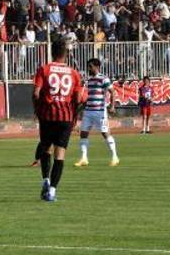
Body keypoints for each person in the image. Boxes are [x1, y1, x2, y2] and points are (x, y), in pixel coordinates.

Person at [32, 38, 83, 202]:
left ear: (52, 52)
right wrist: (75, 114)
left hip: (47, 116)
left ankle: (45, 180)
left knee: (46, 149)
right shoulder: (74, 73)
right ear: (66, 54)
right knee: (60, 155)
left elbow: (35, 93)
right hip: (66, 117)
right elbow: (78, 99)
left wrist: (37, 110)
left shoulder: (44, 69)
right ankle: (52, 191)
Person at [75, 58, 120, 167]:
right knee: (83, 134)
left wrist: (112, 106)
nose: (88, 68)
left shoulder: (103, 79)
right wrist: (79, 109)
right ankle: (84, 158)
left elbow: (112, 92)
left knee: (105, 133)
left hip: (100, 111)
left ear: (96, 66)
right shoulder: (89, 80)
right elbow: (90, 97)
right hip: (88, 111)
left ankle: (115, 157)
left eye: (90, 66)